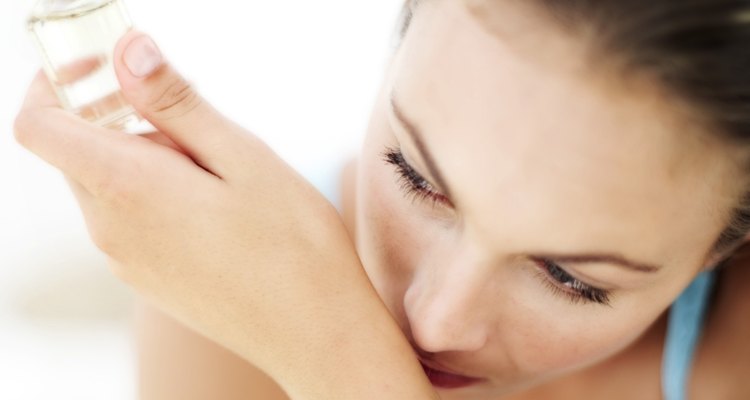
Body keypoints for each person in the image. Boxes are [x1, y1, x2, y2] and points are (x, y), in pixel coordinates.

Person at [13, 0, 750, 399]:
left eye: (570, 278)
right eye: (415, 176)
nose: (434, 321)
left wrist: (343, 371)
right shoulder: (224, 302)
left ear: (725, 248)